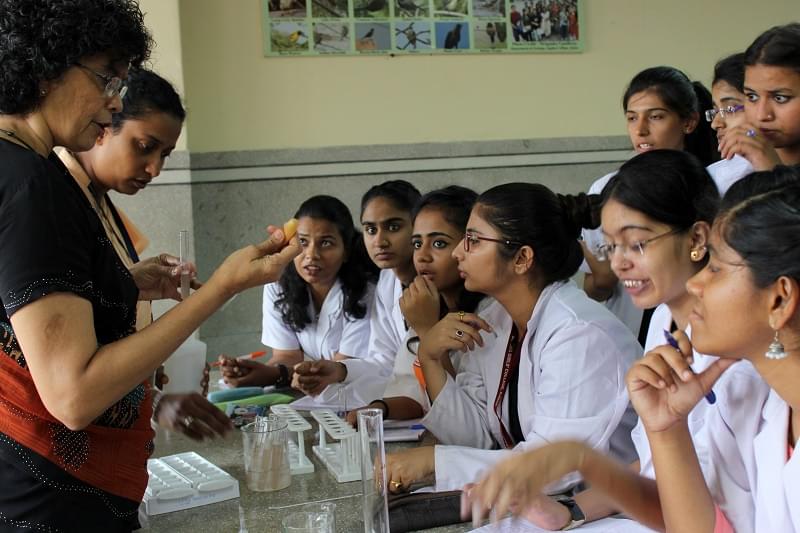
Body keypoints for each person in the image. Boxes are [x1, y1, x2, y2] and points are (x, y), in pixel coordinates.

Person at [0, 1, 300, 530]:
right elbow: (74, 394)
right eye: (106, 80)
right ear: (46, 67)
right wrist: (224, 286)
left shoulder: (26, 168)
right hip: (52, 499)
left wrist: (123, 284)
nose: (113, 103)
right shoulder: (32, 186)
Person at [462, 150, 723, 531]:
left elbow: (715, 486)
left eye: (636, 244)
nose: (618, 264)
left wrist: (580, 461)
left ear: (697, 238)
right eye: (610, 246)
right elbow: (655, 464)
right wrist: (572, 510)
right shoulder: (665, 321)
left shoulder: (733, 339)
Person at [382, 183, 640, 496]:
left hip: (609, 510)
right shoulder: (496, 321)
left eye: (473, 240)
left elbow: (557, 467)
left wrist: (436, 463)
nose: (457, 251)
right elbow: (476, 437)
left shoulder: (579, 334)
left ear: (521, 258)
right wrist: (431, 358)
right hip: (544, 503)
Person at [56, 67, 231, 441]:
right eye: (144, 146)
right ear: (104, 123)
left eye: (165, 154)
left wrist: (157, 398)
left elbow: (96, 314)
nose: (155, 168)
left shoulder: (102, 208)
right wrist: (224, 287)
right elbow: (63, 378)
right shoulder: (57, 207)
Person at [626, 165, 800, 532]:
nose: (695, 285)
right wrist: (666, 428)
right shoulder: (769, 405)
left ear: (780, 299)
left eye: (716, 269)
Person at [582, 66, 719, 342]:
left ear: (689, 122)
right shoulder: (608, 189)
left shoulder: (713, 183)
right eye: (632, 118)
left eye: (655, 116)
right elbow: (599, 284)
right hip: (636, 328)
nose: (641, 130)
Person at [346, 185, 484, 424]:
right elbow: (414, 396)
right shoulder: (430, 307)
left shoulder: (487, 317)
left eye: (439, 244)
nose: (421, 256)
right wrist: (378, 409)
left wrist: (427, 331)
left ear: (470, 247)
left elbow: (464, 420)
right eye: (417, 244)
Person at [219, 195, 376, 388]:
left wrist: (275, 375)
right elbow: (287, 355)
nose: (311, 255)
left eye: (325, 243)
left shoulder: (367, 291)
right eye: (302, 241)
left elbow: (340, 368)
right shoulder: (277, 284)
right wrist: (251, 372)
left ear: (346, 250)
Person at [292, 181, 420, 404]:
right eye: (371, 229)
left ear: (418, 226)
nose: (379, 241)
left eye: (393, 227)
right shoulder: (387, 281)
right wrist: (340, 370)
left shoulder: (436, 280)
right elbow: (384, 361)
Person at [717, 23, 800, 171]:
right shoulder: (722, 178)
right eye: (752, 96)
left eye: (780, 98)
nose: (761, 115)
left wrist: (772, 174)